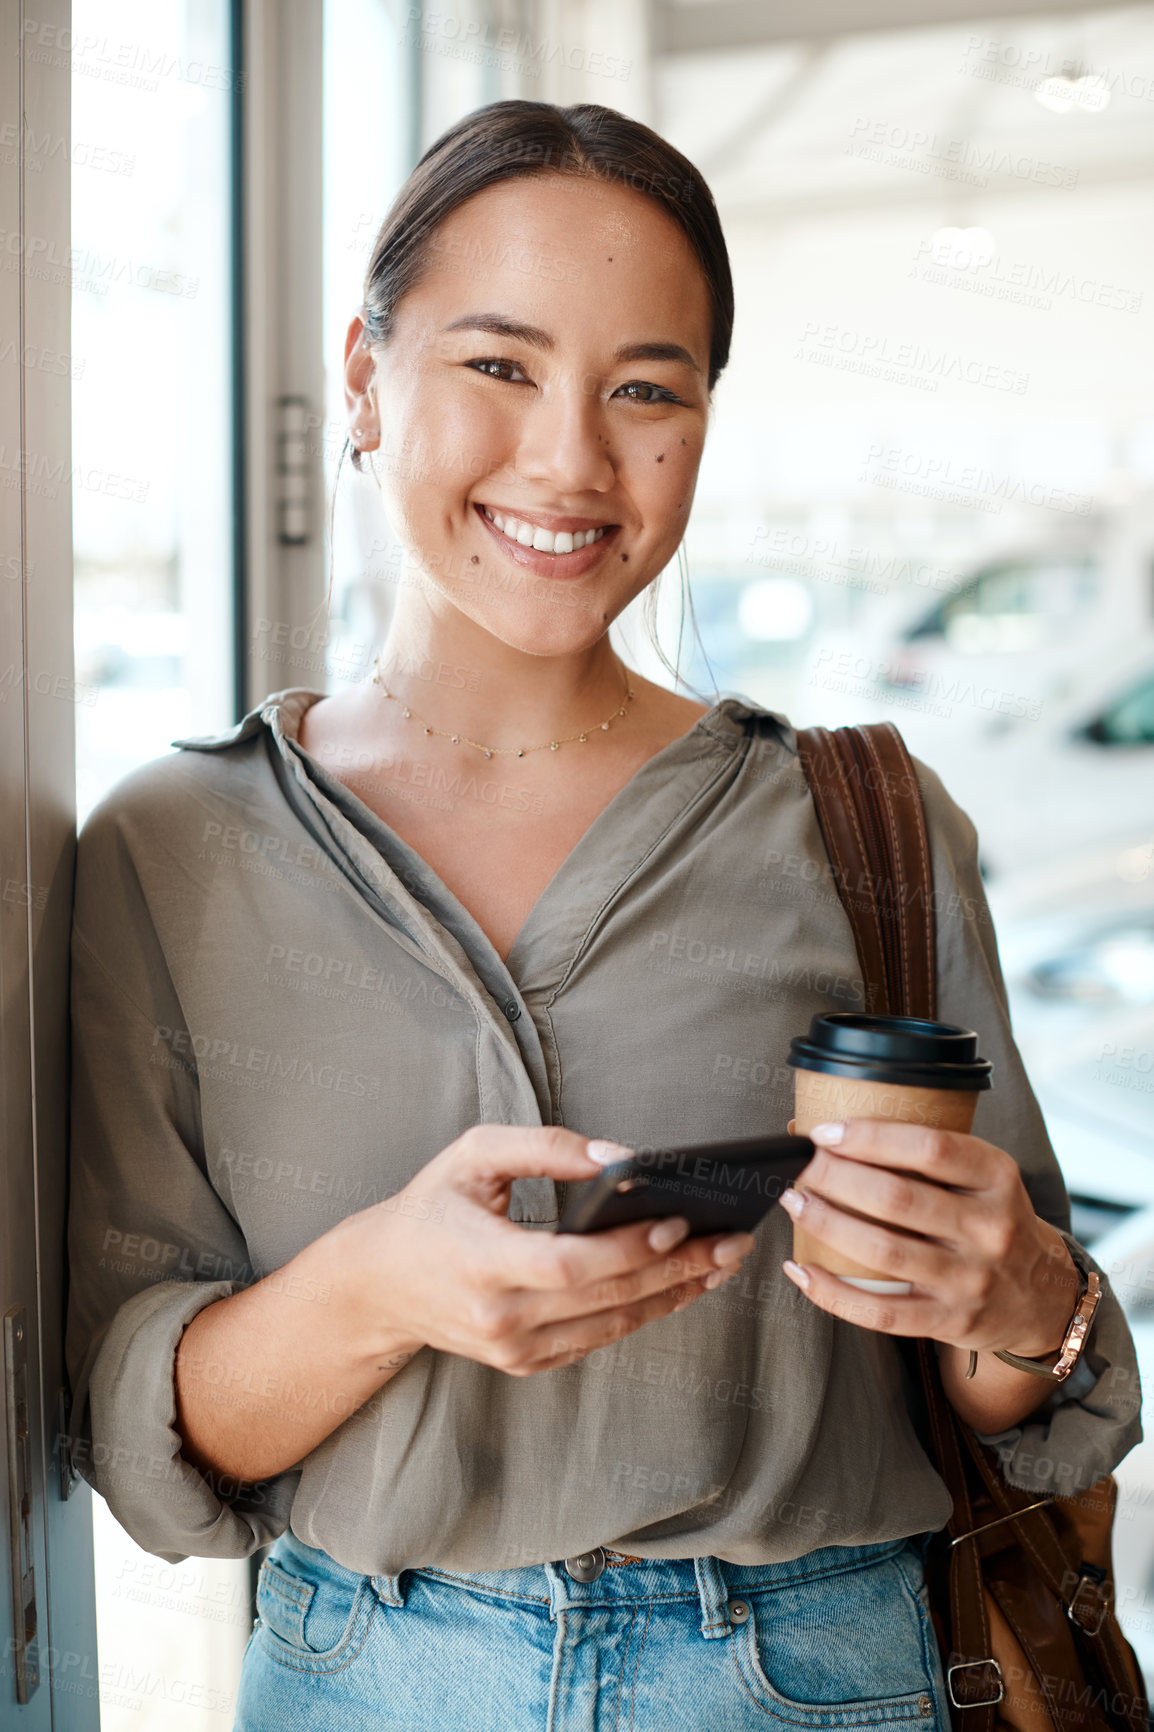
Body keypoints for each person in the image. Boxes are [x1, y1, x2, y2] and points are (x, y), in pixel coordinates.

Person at [64, 100, 1141, 1732]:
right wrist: (383, 1291)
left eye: (647, 388)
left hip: (825, 1675)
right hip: (366, 1679)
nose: (569, 459)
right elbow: (151, 1427)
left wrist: (1008, 1296)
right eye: (497, 366)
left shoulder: (864, 823)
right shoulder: (173, 844)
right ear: (363, 380)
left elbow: (1024, 1396)